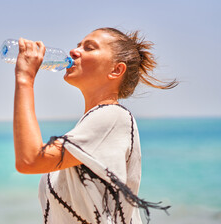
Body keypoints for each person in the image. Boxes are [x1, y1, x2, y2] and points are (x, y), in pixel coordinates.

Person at [13, 27, 177, 224]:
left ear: (116, 70)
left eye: (89, 48)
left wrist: (25, 79)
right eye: (77, 46)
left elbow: (30, 160)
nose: (74, 52)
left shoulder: (113, 117)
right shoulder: (90, 128)